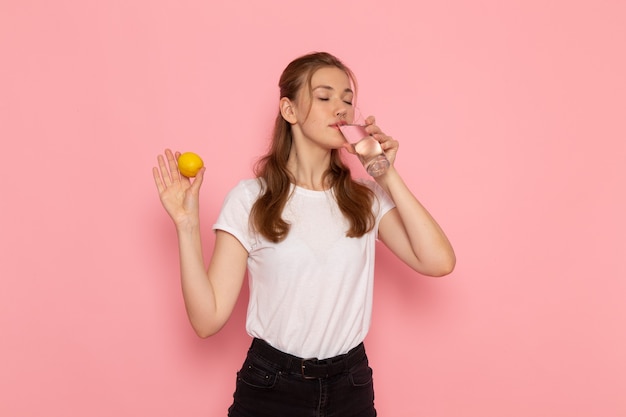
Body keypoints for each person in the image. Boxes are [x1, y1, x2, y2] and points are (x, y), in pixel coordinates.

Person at [152, 51, 455, 417]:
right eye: (325, 97)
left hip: (351, 386)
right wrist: (186, 227)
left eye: (347, 100)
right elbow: (207, 320)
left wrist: (385, 173)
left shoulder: (364, 198)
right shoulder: (251, 199)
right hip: (271, 386)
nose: (341, 110)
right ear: (289, 110)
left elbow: (439, 262)